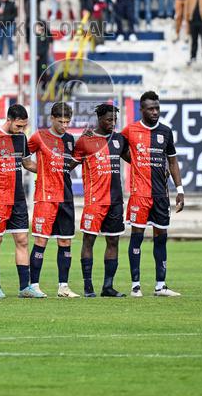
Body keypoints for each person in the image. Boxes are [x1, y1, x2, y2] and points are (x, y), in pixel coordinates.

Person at [120, 91, 184, 298]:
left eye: (157, 108)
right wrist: (135, 161)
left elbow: (172, 161)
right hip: (139, 194)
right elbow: (118, 148)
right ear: (142, 110)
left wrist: (180, 189)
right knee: (136, 237)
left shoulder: (166, 132)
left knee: (161, 238)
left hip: (161, 195)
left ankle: (160, 286)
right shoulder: (130, 130)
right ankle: (135, 286)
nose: (155, 112)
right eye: (151, 108)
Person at [0, 103, 38, 299]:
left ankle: (25, 287)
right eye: (18, 126)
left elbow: (27, 163)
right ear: (9, 119)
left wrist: (48, 170)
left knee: (22, 240)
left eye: (24, 126)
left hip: (18, 197)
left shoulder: (21, 138)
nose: (21, 130)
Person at [73, 102, 128, 297]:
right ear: (99, 119)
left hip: (115, 200)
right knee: (89, 241)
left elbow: (135, 159)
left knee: (113, 242)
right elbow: (69, 165)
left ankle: (108, 287)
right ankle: (88, 287)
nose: (112, 123)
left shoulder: (119, 140)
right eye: (108, 120)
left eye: (115, 119)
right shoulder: (85, 141)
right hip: (95, 200)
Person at [25, 102, 80, 299]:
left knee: (65, 241)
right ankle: (33, 285)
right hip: (45, 196)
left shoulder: (71, 140)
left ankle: (63, 287)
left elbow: (71, 163)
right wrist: (41, 170)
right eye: (61, 121)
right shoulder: (39, 136)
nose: (64, 125)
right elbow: (24, 158)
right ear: (52, 119)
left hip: (65, 195)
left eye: (67, 121)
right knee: (41, 240)